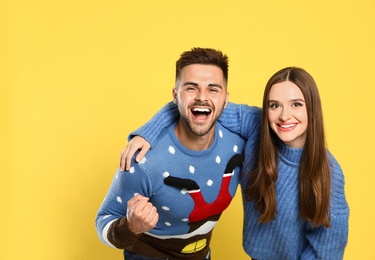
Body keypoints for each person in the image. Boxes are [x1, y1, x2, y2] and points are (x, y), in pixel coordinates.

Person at [120, 67, 350, 259]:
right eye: (274, 105)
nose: (284, 115)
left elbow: (328, 248)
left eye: (296, 104)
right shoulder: (255, 125)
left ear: (312, 108)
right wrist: (148, 133)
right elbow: (199, 105)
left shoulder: (329, 172)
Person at [95, 47, 252, 260]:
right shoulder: (144, 160)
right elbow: (104, 220)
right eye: (191, 88)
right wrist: (129, 226)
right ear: (175, 96)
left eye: (213, 89)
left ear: (226, 99)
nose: (202, 98)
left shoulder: (239, 145)